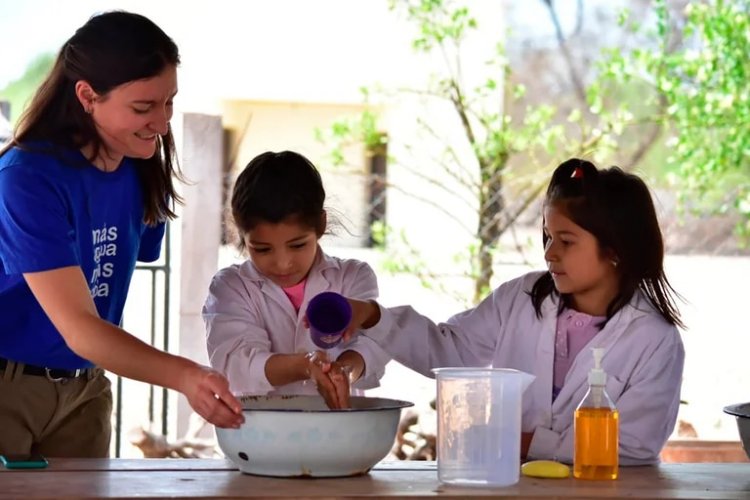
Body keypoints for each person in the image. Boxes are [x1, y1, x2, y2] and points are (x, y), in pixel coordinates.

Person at [0, 11, 243, 459]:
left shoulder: (139, 164)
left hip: (87, 389)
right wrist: (186, 376)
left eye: (168, 101)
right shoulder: (26, 177)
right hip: (11, 388)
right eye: (143, 107)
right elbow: (80, 327)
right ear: (87, 96)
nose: (163, 122)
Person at [342, 158, 685, 465]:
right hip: (515, 484)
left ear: (615, 250)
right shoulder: (520, 298)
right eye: (548, 237)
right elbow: (450, 351)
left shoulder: (654, 339)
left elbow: (634, 445)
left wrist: (526, 442)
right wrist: (373, 316)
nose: (550, 253)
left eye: (566, 241)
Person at [202, 150, 390, 409]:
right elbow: (236, 364)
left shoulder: (353, 277)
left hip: (339, 439)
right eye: (263, 249)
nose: (283, 263)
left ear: (321, 225)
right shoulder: (231, 287)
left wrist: (343, 371)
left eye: (298, 245)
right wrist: (305, 366)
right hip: (258, 439)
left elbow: (372, 345)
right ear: (241, 234)